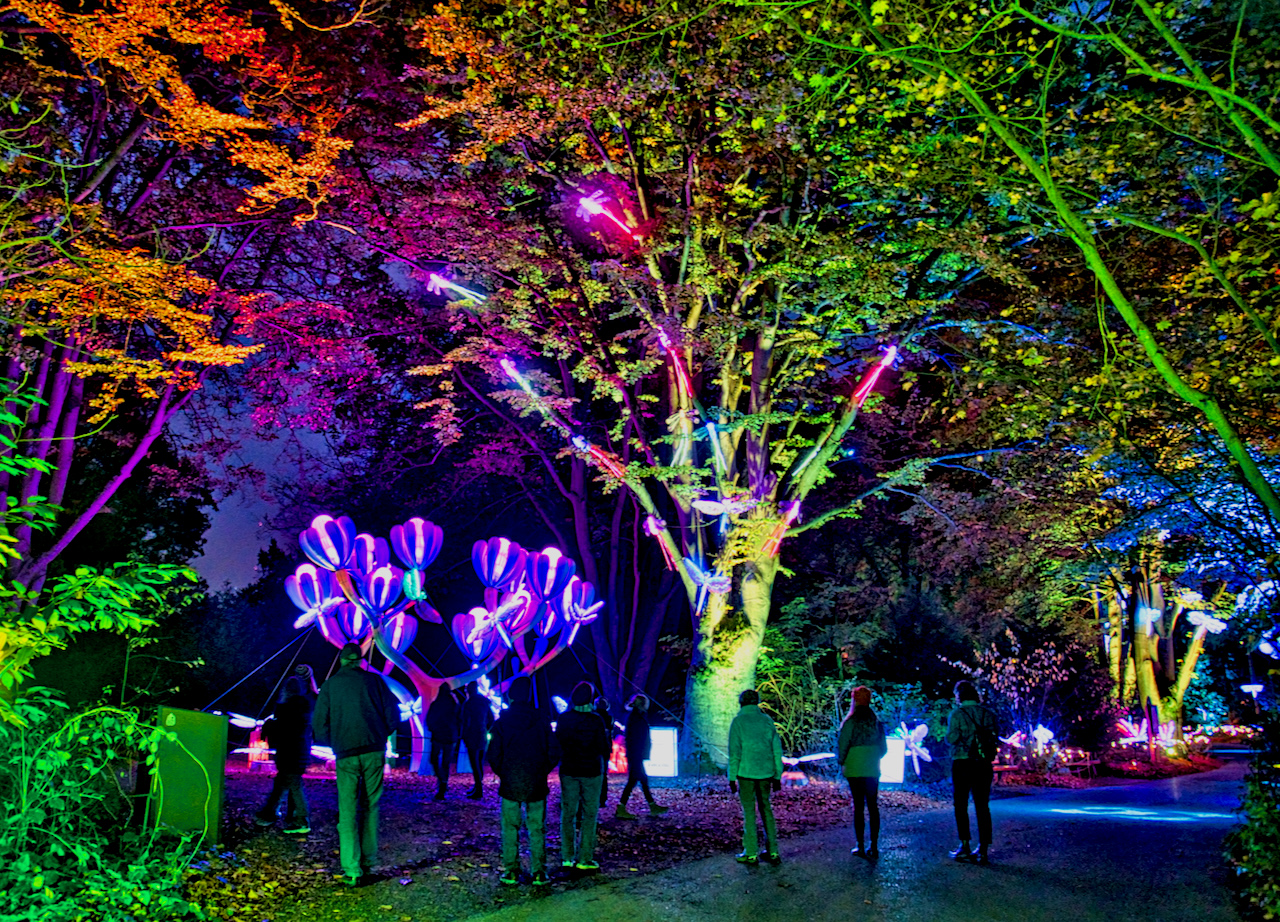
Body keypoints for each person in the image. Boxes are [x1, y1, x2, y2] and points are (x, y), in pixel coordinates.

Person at [312, 642, 403, 887]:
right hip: (374, 749)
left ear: (342, 660)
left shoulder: (330, 686)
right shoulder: (375, 682)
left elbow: (319, 723)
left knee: (348, 809)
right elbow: (393, 714)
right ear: (361, 660)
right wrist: (381, 733)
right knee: (371, 806)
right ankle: (369, 862)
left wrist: (334, 741)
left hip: (346, 752)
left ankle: (352, 869)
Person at [487, 675, 561, 887]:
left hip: (511, 781)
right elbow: (554, 750)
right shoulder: (541, 720)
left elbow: (493, 754)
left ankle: (511, 870)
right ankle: (539, 871)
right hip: (536, 781)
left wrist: (504, 772)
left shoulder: (502, 723)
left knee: (510, 827)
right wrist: (542, 770)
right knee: (537, 827)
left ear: (511, 696)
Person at [555, 681, 612, 872]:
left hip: (570, 770)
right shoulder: (596, 720)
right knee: (589, 814)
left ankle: (567, 856)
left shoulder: (564, 719)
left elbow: (558, 743)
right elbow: (603, 747)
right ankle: (585, 857)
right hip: (591, 771)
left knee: (568, 813)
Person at [727, 689, 783, 865]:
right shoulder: (767, 721)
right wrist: (777, 774)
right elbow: (776, 749)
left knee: (749, 812)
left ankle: (751, 852)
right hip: (766, 772)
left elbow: (734, 752)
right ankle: (772, 850)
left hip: (745, 772)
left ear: (741, 702)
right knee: (766, 809)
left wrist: (732, 776)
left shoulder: (738, 722)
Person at [946, 679, 999, 863]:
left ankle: (965, 844)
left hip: (962, 762)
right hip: (983, 763)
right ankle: (983, 848)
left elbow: (951, 738)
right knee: (982, 805)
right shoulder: (988, 714)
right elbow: (994, 738)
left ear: (959, 696)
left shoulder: (957, 714)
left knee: (960, 804)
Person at [254, 675, 313, 834]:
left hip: (289, 751)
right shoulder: (305, 707)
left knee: (293, 784)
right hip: (300, 750)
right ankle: (270, 812)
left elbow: (284, 730)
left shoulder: (286, 708)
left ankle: (301, 820)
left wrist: (269, 726)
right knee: (282, 782)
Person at [836, 685, 888, 859]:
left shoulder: (851, 722)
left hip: (854, 766)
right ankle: (874, 844)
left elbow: (843, 743)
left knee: (858, 806)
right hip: (872, 766)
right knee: (873, 805)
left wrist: (842, 760)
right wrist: (873, 755)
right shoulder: (876, 722)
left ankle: (860, 844)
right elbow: (884, 748)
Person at [615, 694, 668, 819]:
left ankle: (651, 805)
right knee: (636, 780)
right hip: (636, 754)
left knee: (640, 780)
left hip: (636, 754)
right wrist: (640, 752)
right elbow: (635, 738)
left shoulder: (636, 717)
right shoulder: (636, 718)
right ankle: (622, 807)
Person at [460, 681, 495, 800]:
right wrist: (486, 729)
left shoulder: (468, 704)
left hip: (472, 735)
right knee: (479, 762)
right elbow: (491, 719)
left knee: (474, 763)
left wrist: (464, 735)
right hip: (482, 734)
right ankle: (478, 787)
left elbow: (465, 722)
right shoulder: (484, 702)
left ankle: (478, 788)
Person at [426, 683, 458, 801]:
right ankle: (443, 783)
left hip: (438, 736)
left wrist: (433, 728)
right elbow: (459, 719)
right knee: (446, 762)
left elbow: (429, 719)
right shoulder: (453, 705)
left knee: (434, 759)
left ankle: (442, 782)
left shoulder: (436, 704)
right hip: (450, 736)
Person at [594, 695, 613, 808]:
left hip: (595, 748)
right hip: (605, 748)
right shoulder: (609, 718)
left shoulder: (594, 717)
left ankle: (596, 796)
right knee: (603, 773)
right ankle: (602, 798)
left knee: (595, 773)